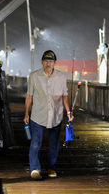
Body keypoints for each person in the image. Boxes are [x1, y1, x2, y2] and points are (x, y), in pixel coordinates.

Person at [24, 50, 73, 180]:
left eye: (51, 61)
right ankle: (35, 168)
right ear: (42, 62)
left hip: (56, 115)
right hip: (38, 115)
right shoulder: (34, 76)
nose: (48, 63)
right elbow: (29, 95)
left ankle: (51, 167)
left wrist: (68, 112)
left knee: (54, 144)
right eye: (46, 61)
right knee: (36, 142)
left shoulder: (61, 77)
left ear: (55, 63)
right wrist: (26, 113)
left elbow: (65, 96)